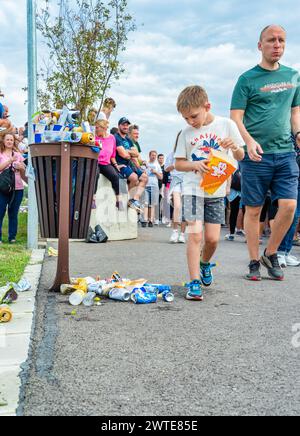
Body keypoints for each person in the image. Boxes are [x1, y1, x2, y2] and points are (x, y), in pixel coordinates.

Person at [231, 25, 300, 281]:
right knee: (253, 209)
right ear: (260, 45)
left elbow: (295, 112)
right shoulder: (247, 79)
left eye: (281, 40)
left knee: (290, 206)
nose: (277, 44)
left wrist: (298, 134)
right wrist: (247, 141)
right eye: (271, 40)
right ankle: (252, 260)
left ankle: (270, 253)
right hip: (256, 155)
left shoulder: (293, 76)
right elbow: (236, 117)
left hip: (285, 153)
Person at [175, 85, 245, 301]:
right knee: (194, 235)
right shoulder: (185, 133)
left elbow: (241, 156)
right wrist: (195, 165)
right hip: (192, 189)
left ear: (207, 106)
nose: (190, 122)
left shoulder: (226, 125)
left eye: (193, 116)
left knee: (213, 239)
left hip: (215, 190)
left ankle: (205, 264)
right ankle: (194, 281)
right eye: (185, 118)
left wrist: (233, 147)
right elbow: (178, 164)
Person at [115, 117, 148, 212]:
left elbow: (136, 154)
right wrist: (129, 152)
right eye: (123, 124)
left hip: (129, 164)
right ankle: (128, 199)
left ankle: (134, 199)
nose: (125, 126)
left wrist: (127, 152)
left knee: (145, 178)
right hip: (121, 164)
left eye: (127, 125)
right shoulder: (116, 137)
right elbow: (124, 155)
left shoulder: (128, 140)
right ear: (119, 126)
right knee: (134, 178)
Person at [277, 134, 300, 267]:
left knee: (296, 216)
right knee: (290, 213)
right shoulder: (292, 122)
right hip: (292, 171)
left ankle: (285, 251)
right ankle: (279, 251)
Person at [0, 133, 27, 244]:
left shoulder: (18, 155)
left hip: (17, 188)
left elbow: (24, 171)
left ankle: (12, 237)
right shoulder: (0, 154)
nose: (10, 141)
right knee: (0, 212)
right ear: (4, 141)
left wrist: (21, 167)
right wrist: (10, 161)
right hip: (2, 188)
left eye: (11, 139)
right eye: (8, 139)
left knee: (13, 213)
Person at [95, 119, 124, 210]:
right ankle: (93, 199)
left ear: (103, 128)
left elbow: (112, 155)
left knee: (115, 176)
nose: (95, 129)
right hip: (95, 162)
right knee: (95, 174)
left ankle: (118, 201)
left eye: (97, 127)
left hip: (105, 163)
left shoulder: (112, 138)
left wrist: (115, 165)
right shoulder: (94, 137)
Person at [165, 141, 187, 243]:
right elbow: (166, 169)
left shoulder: (190, 153)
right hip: (176, 181)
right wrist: (175, 165)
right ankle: (174, 232)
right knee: (177, 206)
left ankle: (182, 234)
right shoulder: (172, 154)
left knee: (185, 209)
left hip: (188, 181)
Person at [142, 151, 163, 227]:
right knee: (145, 203)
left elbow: (161, 177)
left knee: (152, 204)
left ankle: (150, 220)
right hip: (146, 185)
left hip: (154, 186)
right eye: (152, 155)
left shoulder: (157, 165)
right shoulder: (145, 163)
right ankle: (144, 220)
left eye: (155, 155)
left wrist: (155, 172)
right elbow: (141, 173)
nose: (153, 157)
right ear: (149, 155)